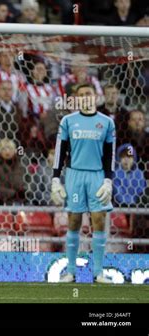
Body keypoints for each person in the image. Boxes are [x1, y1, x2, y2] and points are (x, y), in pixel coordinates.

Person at [51, 84, 116, 284]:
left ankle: (98, 273)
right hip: (74, 175)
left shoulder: (107, 123)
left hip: (97, 176)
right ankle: (70, 272)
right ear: (77, 99)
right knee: (73, 221)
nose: (85, 97)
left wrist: (108, 180)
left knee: (99, 220)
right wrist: (55, 179)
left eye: (88, 94)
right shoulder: (68, 121)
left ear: (95, 97)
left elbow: (110, 153)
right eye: (81, 95)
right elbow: (60, 151)